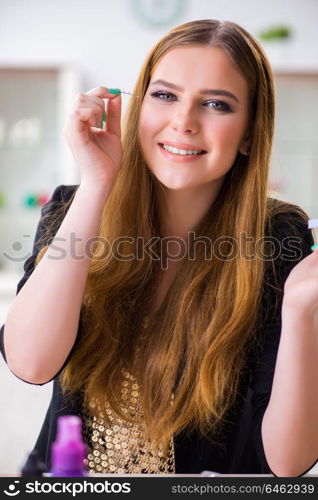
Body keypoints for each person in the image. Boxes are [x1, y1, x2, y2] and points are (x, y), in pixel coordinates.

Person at [1, 19, 318, 477]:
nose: (183, 122)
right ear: (139, 107)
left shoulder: (280, 237)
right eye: (165, 96)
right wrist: (98, 184)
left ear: (249, 132)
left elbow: (288, 462)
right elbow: (30, 363)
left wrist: (302, 310)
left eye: (216, 104)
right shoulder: (75, 206)